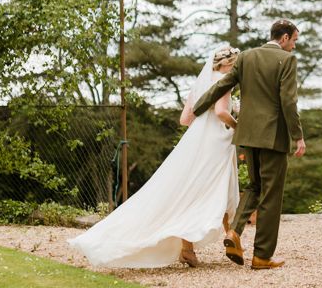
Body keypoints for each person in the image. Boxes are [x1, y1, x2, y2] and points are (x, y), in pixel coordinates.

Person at [68, 45, 240, 268]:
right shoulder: (224, 82)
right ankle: (233, 241)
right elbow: (220, 112)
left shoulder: (199, 85)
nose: (235, 72)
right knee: (217, 190)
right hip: (216, 143)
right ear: (228, 65)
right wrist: (238, 124)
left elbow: (185, 119)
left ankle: (189, 249)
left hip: (194, 143)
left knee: (189, 192)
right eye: (235, 67)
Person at [192, 19, 306, 270]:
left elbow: (223, 84)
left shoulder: (246, 57)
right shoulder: (287, 61)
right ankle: (262, 256)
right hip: (273, 137)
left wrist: (198, 108)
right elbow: (288, 101)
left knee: (254, 186)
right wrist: (297, 135)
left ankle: (234, 232)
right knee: (271, 195)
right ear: (284, 38)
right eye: (294, 41)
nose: (294, 47)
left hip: (247, 135)